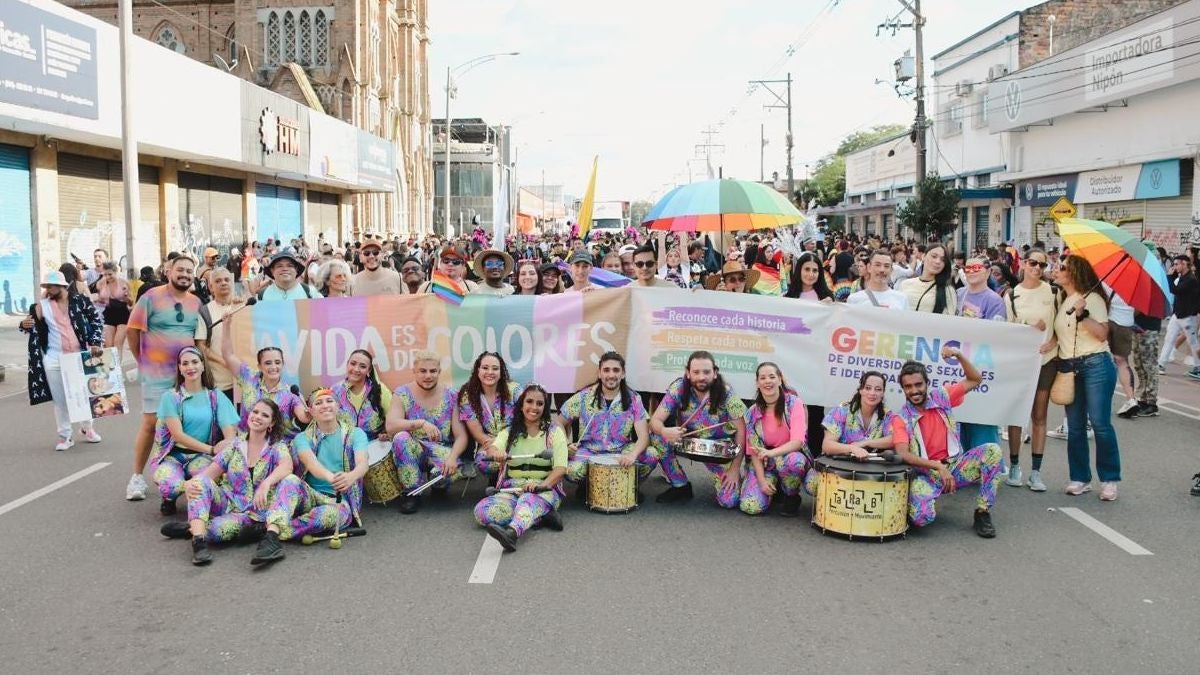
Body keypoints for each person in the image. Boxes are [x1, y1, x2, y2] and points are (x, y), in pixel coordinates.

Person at [179, 399, 305, 566]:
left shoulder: (276, 446)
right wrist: (189, 484)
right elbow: (209, 474)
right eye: (255, 412)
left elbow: (287, 466)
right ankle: (198, 541)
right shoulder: (235, 445)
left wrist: (266, 483)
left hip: (255, 513)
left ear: (271, 423)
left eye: (265, 415)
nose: (258, 417)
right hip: (230, 503)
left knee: (217, 532)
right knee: (199, 482)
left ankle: (193, 525)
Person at [891, 349, 1002, 538]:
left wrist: (959, 355)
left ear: (927, 383)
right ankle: (914, 501)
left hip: (955, 467)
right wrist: (937, 466)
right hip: (927, 474)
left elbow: (975, 379)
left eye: (918, 384)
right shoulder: (901, 418)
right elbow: (903, 454)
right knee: (921, 519)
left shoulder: (941, 396)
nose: (914, 390)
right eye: (908, 387)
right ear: (903, 389)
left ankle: (982, 513)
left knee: (993, 450)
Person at [126, 254, 203, 501]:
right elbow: (132, 330)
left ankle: (179, 477)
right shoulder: (150, 297)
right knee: (151, 424)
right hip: (156, 375)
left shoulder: (195, 302)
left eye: (189, 271)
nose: (184, 275)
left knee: (184, 425)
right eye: (180, 270)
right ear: (169, 271)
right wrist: (143, 360)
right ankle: (137, 478)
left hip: (186, 376)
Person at [1054, 255, 1121, 500]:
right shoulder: (1062, 299)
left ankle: (1110, 478)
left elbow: (1102, 334)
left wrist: (1084, 315)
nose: (1056, 270)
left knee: (1100, 423)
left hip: (1096, 364)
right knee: (1075, 426)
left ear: (1075, 273)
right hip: (1070, 367)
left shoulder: (1093, 298)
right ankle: (1080, 477)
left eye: (1062, 267)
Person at [474, 384, 567, 552]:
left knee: (527, 500)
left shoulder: (554, 433)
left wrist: (542, 485)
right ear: (522, 405)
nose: (534, 407)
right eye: (529, 402)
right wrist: (497, 453)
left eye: (540, 403)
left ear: (545, 407)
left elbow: (560, 469)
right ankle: (542, 516)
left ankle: (512, 534)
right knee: (482, 512)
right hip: (512, 488)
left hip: (542, 489)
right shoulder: (509, 432)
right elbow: (494, 448)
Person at [20, 270, 106, 450]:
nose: (48, 290)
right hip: (53, 358)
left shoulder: (81, 301)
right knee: (60, 400)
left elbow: (96, 320)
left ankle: (87, 428)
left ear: (62, 286)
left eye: (51, 286)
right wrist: (23, 324)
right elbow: (29, 325)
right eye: (46, 287)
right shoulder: (41, 306)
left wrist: (96, 342)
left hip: (78, 355)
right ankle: (65, 436)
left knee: (82, 394)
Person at [649, 350, 747, 506]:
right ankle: (680, 485)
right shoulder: (678, 388)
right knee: (656, 435)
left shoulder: (727, 394)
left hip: (719, 451)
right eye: (696, 372)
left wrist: (734, 469)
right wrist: (664, 431)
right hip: (689, 443)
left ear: (715, 373)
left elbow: (742, 431)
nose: (701, 377)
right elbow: (655, 421)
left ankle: (739, 477)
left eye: (706, 372)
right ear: (688, 373)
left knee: (729, 502)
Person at [556, 352, 658, 501]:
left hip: (620, 451)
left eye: (616, 370)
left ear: (623, 374)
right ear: (599, 373)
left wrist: (632, 455)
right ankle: (587, 486)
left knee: (652, 454)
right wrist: (565, 444)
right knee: (571, 469)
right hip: (590, 451)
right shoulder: (584, 396)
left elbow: (643, 437)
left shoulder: (634, 399)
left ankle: (630, 485)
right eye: (606, 370)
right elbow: (558, 422)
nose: (611, 375)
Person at [150, 347, 240, 516]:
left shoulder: (215, 396)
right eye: (185, 363)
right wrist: (212, 449)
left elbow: (230, 431)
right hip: (174, 455)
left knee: (208, 481)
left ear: (203, 366)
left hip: (201, 457)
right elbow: (178, 435)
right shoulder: (171, 397)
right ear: (179, 369)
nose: (190, 367)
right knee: (167, 483)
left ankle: (199, 504)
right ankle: (169, 497)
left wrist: (227, 444)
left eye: (194, 362)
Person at [1003, 249, 1058, 492]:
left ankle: (1036, 471)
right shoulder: (1012, 294)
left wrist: (1052, 342)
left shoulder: (1054, 292)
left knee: (1039, 415)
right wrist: (1029, 330)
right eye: (1033, 263)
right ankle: (1014, 465)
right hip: (1020, 362)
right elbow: (1008, 332)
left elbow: (1060, 328)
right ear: (1024, 264)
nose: (1037, 268)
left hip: (1046, 360)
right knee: (1016, 415)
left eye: (1042, 265)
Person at [386, 351, 469, 514]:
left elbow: (461, 436)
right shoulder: (402, 393)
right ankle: (411, 492)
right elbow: (391, 426)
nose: (428, 375)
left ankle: (438, 485)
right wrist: (421, 423)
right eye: (423, 371)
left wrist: (452, 458)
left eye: (433, 371)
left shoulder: (452, 395)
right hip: (413, 447)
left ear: (439, 371)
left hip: (440, 449)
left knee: (454, 470)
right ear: (414, 371)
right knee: (400, 438)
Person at [286, 388, 368, 539]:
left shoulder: (356, 434)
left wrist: (351, 477)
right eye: (318, 403)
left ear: (338, 407)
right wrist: (334, 479)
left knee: (330, 515)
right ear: (310, 411)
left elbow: (363, 463)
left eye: (329, 401)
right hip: (309, 496)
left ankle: (281, 530)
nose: (325, 405)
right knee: (290, 481)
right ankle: (273, 530)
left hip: (338, 501)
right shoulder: (302, 438)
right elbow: (311, 464)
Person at [218, 315, 309, 445]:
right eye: (268, 363)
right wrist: (226, 325)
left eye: (277, 362)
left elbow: (304, 417)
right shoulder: (248, 377)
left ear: (283, 364)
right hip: (247, 444)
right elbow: (228, 355)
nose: (273, 367)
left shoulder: (291, 393)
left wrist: (311, 413)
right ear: (259, 366)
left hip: (279, 447)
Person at [739, 363, 809, 517]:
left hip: (788, 457)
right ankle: (771, 488)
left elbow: (798, 442)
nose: (767, 381)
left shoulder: (794, 403)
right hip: (764, 463)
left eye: (772, 376)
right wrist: (762, 481)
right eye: (762, 378)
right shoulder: (752, 412)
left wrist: (771, 453)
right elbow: (754, 451)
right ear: (757, 383)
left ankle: (791, 496)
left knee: (795, 462)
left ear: (780, 379)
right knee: (750, 507)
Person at [458, 351, 521, 475]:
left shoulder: (515, 389)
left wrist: (506, 444)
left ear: (501, 372)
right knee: (485, 463)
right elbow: (477, 433)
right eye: (485, 368)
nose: (490, 372)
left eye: (495, 368)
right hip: (489, 441)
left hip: (516, 439)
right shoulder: (468, 394)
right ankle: (495, 479)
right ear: (478, 370)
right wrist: (495, 448)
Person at [194, 268, 243, 402]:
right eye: (218, 281)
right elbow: (201, 345)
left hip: (244, 380)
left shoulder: (243, 306)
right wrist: (225, 361)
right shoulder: (205, 312)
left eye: (227, 280)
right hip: (220, 382)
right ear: (211, 287)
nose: (223, 283)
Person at [333, 349, 392, 442]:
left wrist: (386, 433)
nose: (356, 369)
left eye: (362, 366)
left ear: (369, 370)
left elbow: (392, 419)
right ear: (347, 364)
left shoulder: (380, 390)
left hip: (375, 446)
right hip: (344, 447)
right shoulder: (335, 391)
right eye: (353, 364)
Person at [1157, 255, 1200, 378]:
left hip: (1187, 316)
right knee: (1169, 338)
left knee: (1193, 342)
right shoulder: (1183, 277)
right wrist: (1172, 276)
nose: (1174, 267)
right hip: (1178, 314)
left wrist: (1170, 277)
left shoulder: (1191, 279)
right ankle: (1161, 363)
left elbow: (1176, 290)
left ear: (1184, 264)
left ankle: (1198, 366)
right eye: (1174, 264)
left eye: (1176, 264)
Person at [898, 244, 956, 315]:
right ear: (923, 256)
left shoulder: (948, 290)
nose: (938, 261)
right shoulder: (905, 284)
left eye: (943, 259)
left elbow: (950, 320)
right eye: (934, 256)